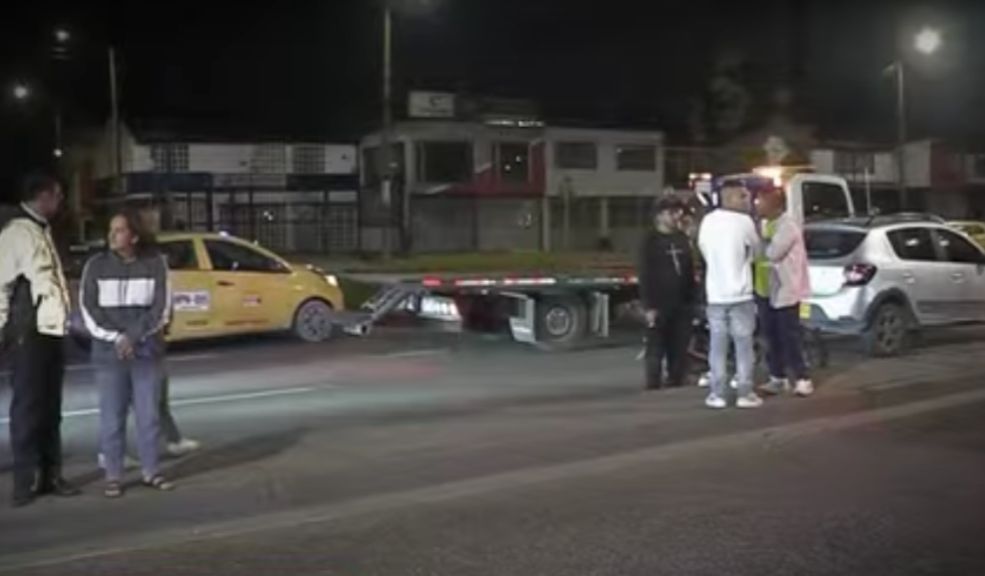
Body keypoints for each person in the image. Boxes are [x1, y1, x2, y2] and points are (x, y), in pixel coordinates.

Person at [81, 209, 176, 497]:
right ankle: (113, 475)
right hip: (109, 355)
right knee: (112, 417)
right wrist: (118, 338)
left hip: (146, 352)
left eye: (119, 230)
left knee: (148, 418)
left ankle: (151, 471)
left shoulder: (156, 265)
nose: (112, 235)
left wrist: (133, 337)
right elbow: (89, 310)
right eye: (111, 230)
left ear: (134, 236)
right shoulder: (95, 266)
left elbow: (161, 310)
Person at [0, 173, 80, 507]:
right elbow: (1, 284)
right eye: (57, 196)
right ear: (42, 196)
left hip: (49, 329)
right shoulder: (17, 233)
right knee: (28, 406)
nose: (60, 202)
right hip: (27, 330)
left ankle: (51, 474)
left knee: (50, 406)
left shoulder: (42, 231)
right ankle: (23, 481)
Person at [697, 185, 763, 409]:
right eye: (743, 196)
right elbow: (757, 250)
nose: (747, 200)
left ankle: (717, 394)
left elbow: (704, 249)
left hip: (715, 294)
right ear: (730, 198)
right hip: (741, 294)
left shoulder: (708, 222)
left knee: (718, 346)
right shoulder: (744, 222)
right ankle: (745, 393)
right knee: (743, 346)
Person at [757, 190, 815, 397]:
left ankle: (802, 378)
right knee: (771, 337)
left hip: (786, 292)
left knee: (789, 337)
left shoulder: (787, 226)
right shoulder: (766, 225)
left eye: (762, 202)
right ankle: (777, 378)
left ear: (777, 206)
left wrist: (760, 241)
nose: (758, 206)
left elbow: (773, 252)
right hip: (765, 290)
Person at [638, 196, 697, 390]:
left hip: (682, 302)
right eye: (671, 213)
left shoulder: (681, 238)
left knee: (679, 343)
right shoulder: (650, 241)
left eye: (677, 212)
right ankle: (653, 381)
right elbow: (645, 274)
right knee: (655, 344)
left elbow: (689, 270)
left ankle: (676, 377)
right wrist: (649, 306)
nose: (675, 216)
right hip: (658, 302)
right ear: (659, 216)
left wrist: (693, 298)